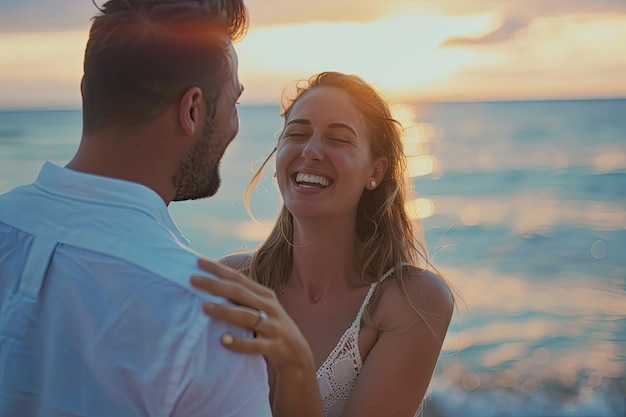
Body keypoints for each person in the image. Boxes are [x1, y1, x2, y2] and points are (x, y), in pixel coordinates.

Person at [0, 1, 272, 416]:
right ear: (193, 110)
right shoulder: (205, 320)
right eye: (234, 102)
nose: (235, 123)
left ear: (86, 90)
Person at [190, 71, 456, 417]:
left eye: (339, 139)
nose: (311, 151)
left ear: (375, 171)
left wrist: (294, 366)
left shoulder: (412, 301)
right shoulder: (233, 281)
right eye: (297, 134)